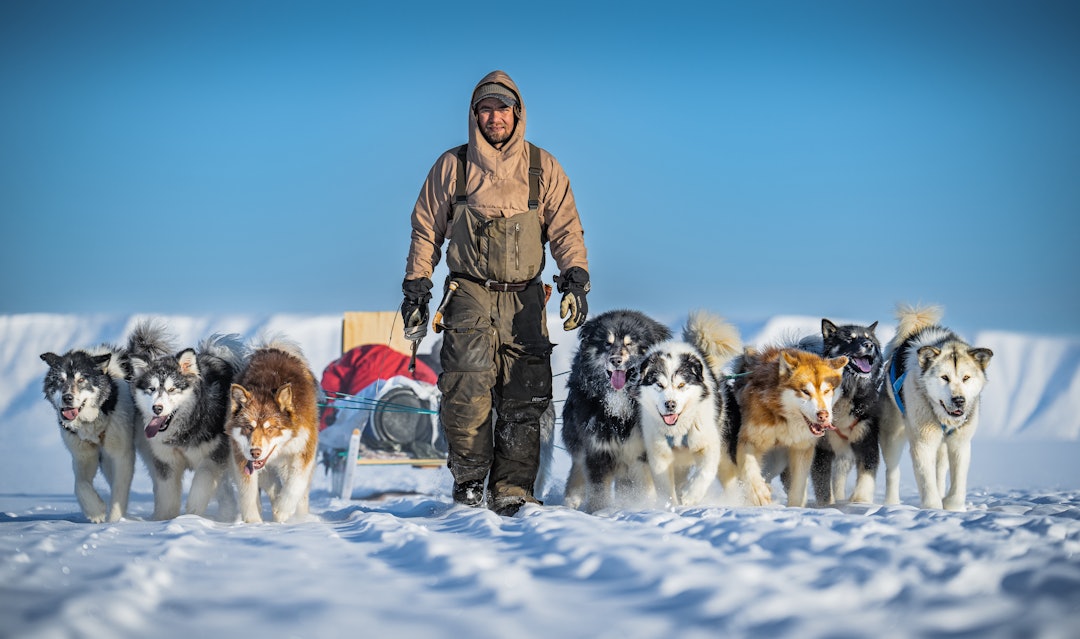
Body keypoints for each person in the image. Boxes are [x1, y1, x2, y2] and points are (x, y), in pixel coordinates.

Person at [400, 70, 590, 516]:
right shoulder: (453, 166)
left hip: (525, 297)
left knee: (526, 393)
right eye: (485, 108)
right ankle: (469, 482)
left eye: (502, 107)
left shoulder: (543, 167)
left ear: (516, 113)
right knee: (466, 388)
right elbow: (426, 229)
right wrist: (416, 289)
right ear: (474, 115)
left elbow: (565, 228)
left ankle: (512, 489)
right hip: (468, 291)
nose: (494, 116)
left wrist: (575, 279)